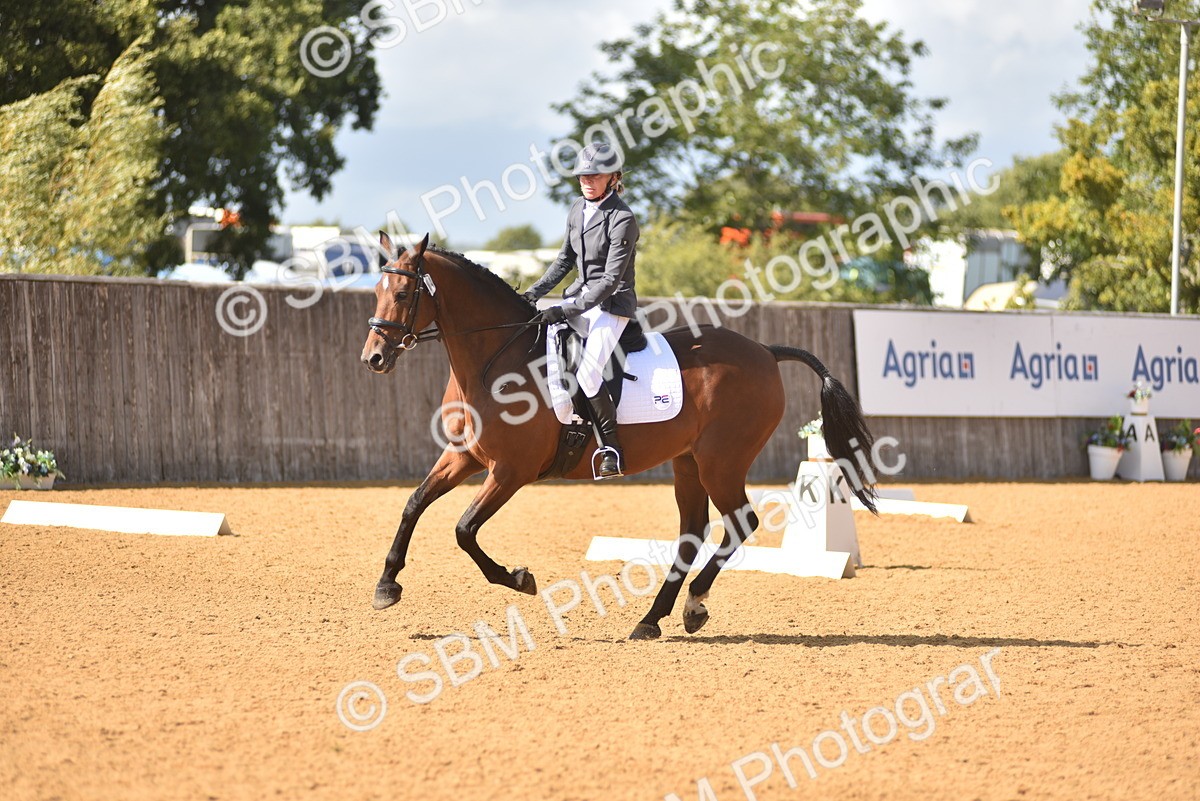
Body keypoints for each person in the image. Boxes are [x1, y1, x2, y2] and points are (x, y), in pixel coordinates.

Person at [523, 143, 639, 479]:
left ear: (613, 177)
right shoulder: (577, 209)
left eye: (595, 175)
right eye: (583, 175)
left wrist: (564, 309)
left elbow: (609, 281)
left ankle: (611, 449)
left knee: (588, 373)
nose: (587, 180)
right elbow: (564, 260)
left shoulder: (623, 219)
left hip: (612, 304)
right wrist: (534, 293)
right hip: (580, 297)